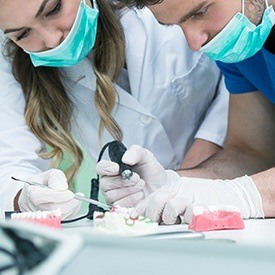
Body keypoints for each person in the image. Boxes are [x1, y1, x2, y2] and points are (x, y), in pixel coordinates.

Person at [0, 0, 228, 219]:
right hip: (147, 217)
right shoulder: (9, 61)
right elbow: (11, 162)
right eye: (22, 34)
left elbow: (238, 75)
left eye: (54, 8)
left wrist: (203, 152)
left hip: (231, 179)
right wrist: (26, 197)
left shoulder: (154, 11)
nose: (52, 40)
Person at [97, 0, 275, 224]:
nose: (194, 43)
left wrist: (245, 194)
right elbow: (252, 153)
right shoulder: (242, 45)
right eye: (176, 26)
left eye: (200, 12)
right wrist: (172, 184)